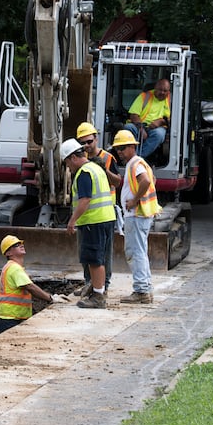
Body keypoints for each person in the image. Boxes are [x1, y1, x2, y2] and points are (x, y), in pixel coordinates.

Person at [62, 139, 116, 309]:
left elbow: (85, 200)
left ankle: (98, 296)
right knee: (100, 257)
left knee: (94, 259)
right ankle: (97, 289)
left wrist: (72, 220)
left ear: (72, 158)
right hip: (106, 218)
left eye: (67, 162)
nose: (68, 167)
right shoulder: (96, 168)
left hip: (93, 220)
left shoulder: (84, 172)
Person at [111, 130, 162, 304]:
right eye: (117, 149)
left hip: (137, 214)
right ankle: (145, 288)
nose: (119, 151)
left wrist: (134, 200)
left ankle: (141, 290)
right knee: (139, 251)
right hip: (141, 214)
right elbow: (152, 179)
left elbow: (147, 181)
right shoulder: (138, 163)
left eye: (123, 148)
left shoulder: (135, 164)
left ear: (133, 147)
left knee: (135, 252)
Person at [74, 122, 122, 297]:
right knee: (86, 253)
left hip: (103, 212)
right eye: (83, 143)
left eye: (89, 141)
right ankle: (89, 284)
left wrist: (104, 169)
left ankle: (103, 286)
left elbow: (117, 181)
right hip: (87, 215)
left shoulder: (108, 158)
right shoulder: (80, 160)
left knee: (102, 254)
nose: (87, 146)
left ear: (96, 138)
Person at [0, 235, 55, 335]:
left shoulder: (12, 267)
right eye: (16, 245)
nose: (21, 245)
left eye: (21, 243)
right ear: (8, 253)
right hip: (8, 320)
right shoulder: (14, 268)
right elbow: (30, 287)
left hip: (7, 318)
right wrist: (51, 298)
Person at [124, 78, 171, 158]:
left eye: (165, 91)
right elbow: (133, 115)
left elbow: (175, 120)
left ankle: (137, 157)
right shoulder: (145, 96)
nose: (162, 92)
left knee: (159, 134)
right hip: (139, 126)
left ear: (168, 91)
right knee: (128, 127)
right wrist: (141, 129)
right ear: (155, 88)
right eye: (160, 90)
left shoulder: (172, 99)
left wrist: (161, 121)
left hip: (158, 128)